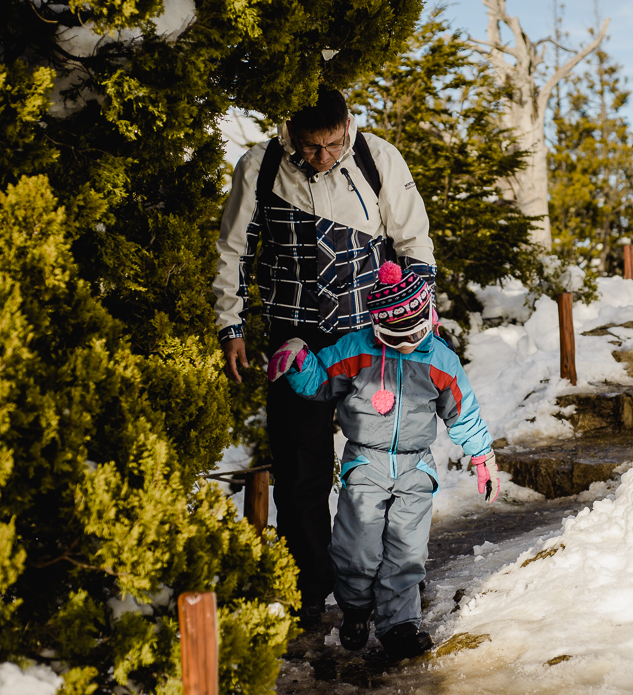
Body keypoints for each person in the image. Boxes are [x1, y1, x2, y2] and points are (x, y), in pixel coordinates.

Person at [212, 88, 437, 624]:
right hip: (293, 337)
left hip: (370, 336)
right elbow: (234, 250)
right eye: (312, 147)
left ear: (348, 125)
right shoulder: (259, 167)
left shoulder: (377, 158)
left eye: (334, 144)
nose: (325, 157)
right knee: (299, 467)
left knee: (384, 463)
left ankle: (390, 587)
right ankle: (307, 588)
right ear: (291, 133)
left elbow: (414, 243)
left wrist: (418, 319)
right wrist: (231, 325)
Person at [266, 262, 499, 662]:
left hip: (415, 466)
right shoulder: (356, 349)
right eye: (396, 337)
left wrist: (481, 455)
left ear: (427, 317)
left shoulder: (440, 359)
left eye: (414, 335)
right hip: (366, 464)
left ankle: (399, 626)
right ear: (378, 327)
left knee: (407, 549)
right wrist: (301, 362)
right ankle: (356, 609)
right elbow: (322, 382)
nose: (407, 343)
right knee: (357, 546)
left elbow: (462, 411)